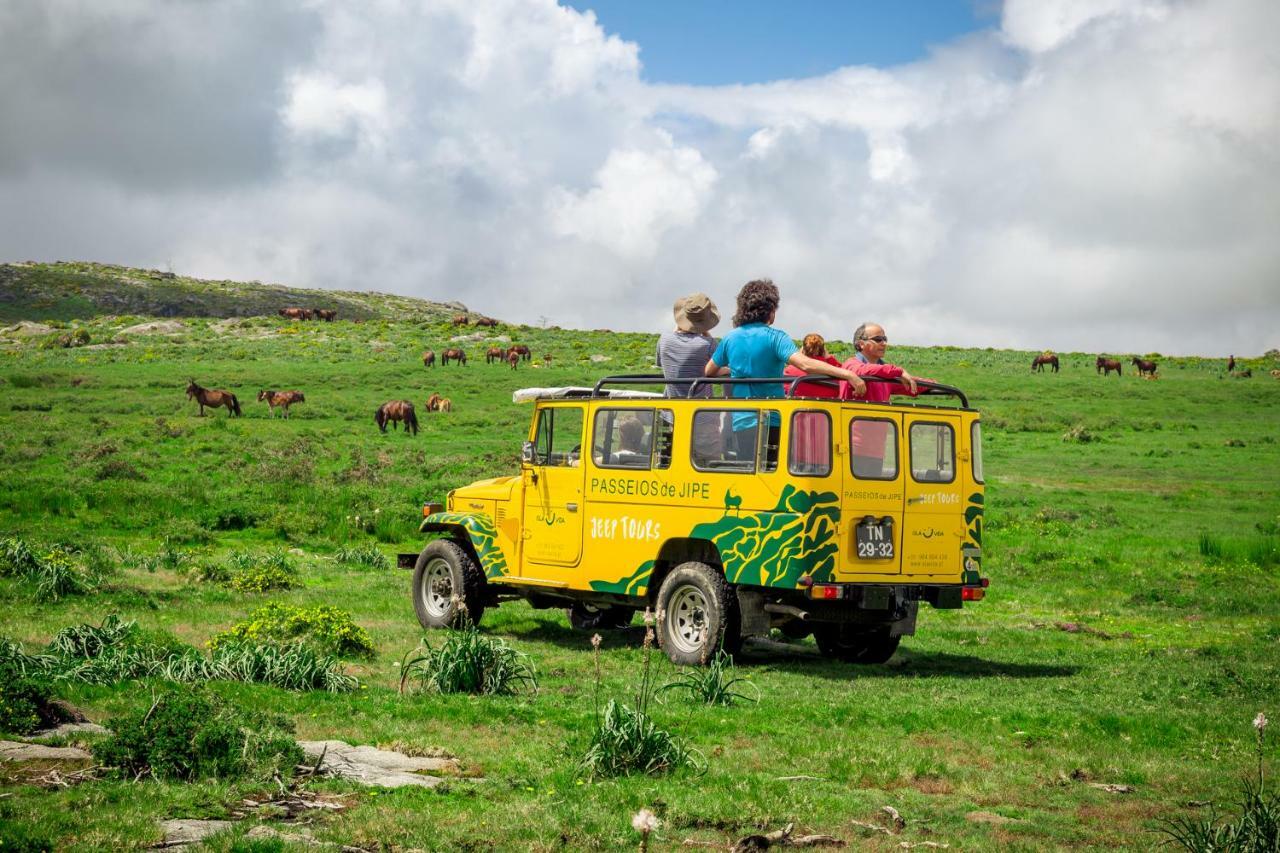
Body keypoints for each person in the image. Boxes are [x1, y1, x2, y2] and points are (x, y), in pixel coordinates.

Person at [704, 280, 866, 459]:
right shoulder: (776, 337)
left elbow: (709, 371)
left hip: (742, 420)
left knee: (750, 472)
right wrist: (847, 374)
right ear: (771, 312)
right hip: (772, 418)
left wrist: (731, 371)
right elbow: (805, 364)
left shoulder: (730, 338)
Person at [840, 322, 919, 478]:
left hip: (876, 451)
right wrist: (898, 371)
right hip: (850, 448)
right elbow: (862, 371)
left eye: (885, 338)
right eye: (878, 339)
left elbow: (911, 384)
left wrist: (934, 386)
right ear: (861, 344)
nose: (884, 343)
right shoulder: (851, 365)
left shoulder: (886, 375)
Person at [657, 293, 720, 398]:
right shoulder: (709, 344)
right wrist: (704, 331)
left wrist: (681, 324)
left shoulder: (664, 339)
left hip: (670, 412)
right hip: (701, 411)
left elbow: (661, 364)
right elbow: (719, 367)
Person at [783, 333, 842, 398]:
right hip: (828, 407)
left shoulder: (789, 370)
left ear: (803, 349)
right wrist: (830, 358)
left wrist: (799, 356)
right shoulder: (836, 372)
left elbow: (785, 390)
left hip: (796, 407)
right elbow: (844, 374)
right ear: (823, 352)